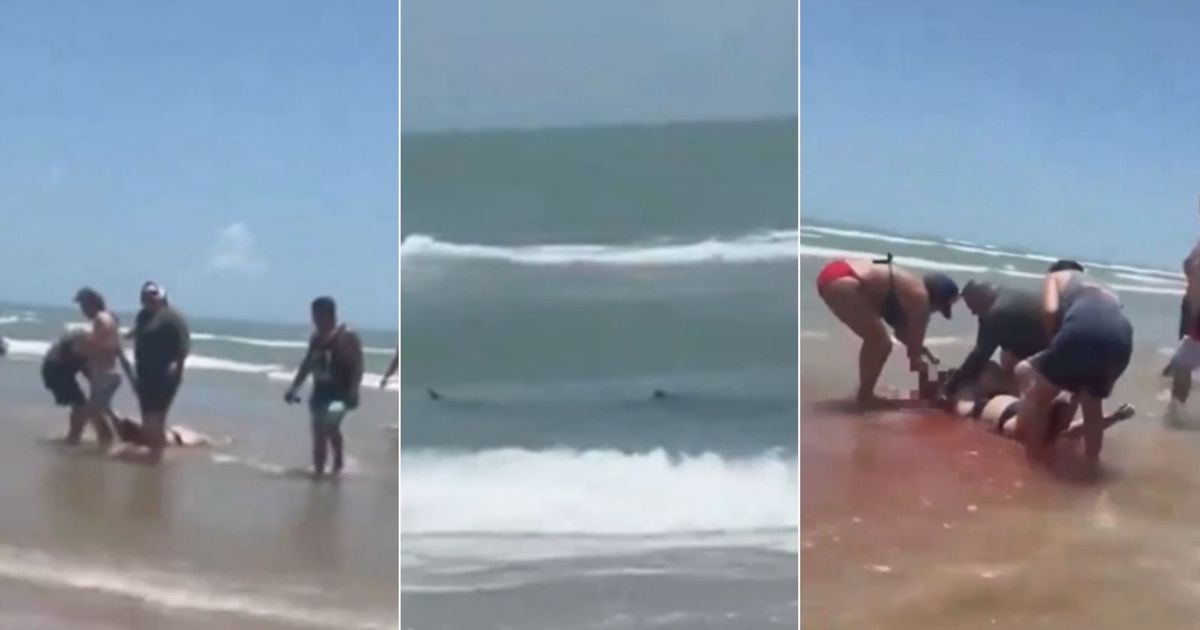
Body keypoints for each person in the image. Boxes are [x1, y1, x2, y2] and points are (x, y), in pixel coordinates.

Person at [1013, 263, 1134, 474]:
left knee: (1040, 393)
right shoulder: (1104, 288)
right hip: (1122, 337)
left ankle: (1034, 462)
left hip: (1080, 331)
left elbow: (1050, 310)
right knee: (1092, 405)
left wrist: (1054, 345)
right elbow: (1106, 321)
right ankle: (1091, 466)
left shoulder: (1055, 276)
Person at [815, 253, 960, 408]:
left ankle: (864, 394)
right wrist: (933, 375)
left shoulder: (909, 290)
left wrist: (926, 353)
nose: (934, 311)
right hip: (845, 282)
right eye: (939, 307)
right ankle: (865, 397)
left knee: (878, 340)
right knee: (879, 342)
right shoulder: (920, 300)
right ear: (936, 298)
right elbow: (914, 358)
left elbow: (903, 334)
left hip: (837, 273)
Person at [285, 296, 364, 477]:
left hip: (341, 393)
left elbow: (358, 365)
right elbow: (307, 364)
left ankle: (336, 466)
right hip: (321, 391)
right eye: (313, 315)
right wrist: (294, 388)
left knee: (328, 427)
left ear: (329, 313)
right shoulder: (316, 338)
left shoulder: (347, 335)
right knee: (319, 432)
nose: (314, 319)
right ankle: (320, 472)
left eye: (317, 314)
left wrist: (354, 390)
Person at [941, 280, 1049, 399]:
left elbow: (980, 356)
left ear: (982, 297)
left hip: (1048, 353)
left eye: (973, 306)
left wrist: (951, 386)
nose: (972, 312)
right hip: (1043, 340)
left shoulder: (998, 312)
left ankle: (1013, 396)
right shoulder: (1000, 297)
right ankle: (1014, 391)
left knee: (987, 369)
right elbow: (981, 344)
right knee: (1005, 352)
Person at [129, 281, 190, 462]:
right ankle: (155, 454)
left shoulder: (172, 318)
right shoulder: (143, 316)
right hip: (144, 375)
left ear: (162, 296)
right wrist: (123, 336)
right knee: (150, 419)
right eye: (145, 296)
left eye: (154, 294)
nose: (149, 298)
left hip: (163, 375)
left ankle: (155, 456)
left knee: (154, 419)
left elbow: (183, 348)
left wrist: (178, 374)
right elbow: (138, 331)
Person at [71, 288, 120, 445]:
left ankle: (74, 440)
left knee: (89, 411)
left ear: (92, 303)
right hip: (104, 375)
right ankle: (106, 443)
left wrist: (86, 343)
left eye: (84, 306)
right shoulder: (107, 318)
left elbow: (104, 330)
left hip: (105, 375)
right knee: (98, 412)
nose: (83, 311)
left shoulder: (101, 318)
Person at [41, 330, 105, 442]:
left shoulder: (87, 342)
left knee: (83, 404)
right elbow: (73, 358)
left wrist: (96, 389)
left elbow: (86, 370)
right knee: (80, 405)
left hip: (58, 367)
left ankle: (96, 434)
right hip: (55, 368)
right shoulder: (85, 341)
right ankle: (73, 438)